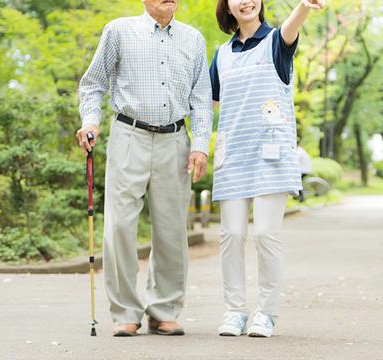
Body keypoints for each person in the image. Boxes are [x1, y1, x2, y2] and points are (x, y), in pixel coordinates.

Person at [75, 0, 212, 337]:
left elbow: (201, 98)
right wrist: (90, 122)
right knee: (119, 226)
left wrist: (200, 146)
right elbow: (93, 84)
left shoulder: (193, 39)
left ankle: (164, 309)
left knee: (171, 230)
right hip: (129, 134)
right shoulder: (119, 31)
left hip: (175, 139)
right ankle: (125, 310)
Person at [210, 0, 325, 338]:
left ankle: (266, 313)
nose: (245, 2)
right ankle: (234, 311)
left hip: (271, 156)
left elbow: (291, 28)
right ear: (228, 8)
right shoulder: (222, 54)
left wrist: (304, 6)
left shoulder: (276, 41)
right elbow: (209, 101)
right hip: (233, 157)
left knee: (265, 233)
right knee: (231, 235)